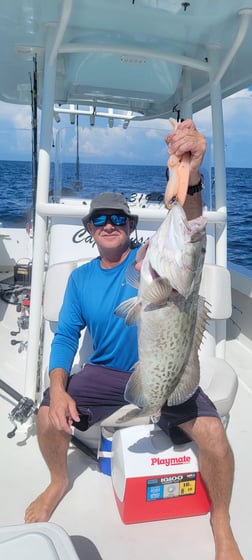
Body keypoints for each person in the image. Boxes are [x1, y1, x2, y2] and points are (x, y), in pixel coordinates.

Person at [25, 120, 243, 560]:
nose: (109, 225)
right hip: (106, 373)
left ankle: (221, 520)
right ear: (90, 227)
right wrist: (61, 389)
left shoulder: (149, 260)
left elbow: (193, 229)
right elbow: (66, 336)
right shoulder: (81, 279)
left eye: (118, 218)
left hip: (167, 371)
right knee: (47, 413)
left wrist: (191, 177)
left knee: (216, 440)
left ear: (129, 225)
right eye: (100, 219)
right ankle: (57, 481)